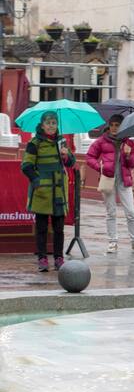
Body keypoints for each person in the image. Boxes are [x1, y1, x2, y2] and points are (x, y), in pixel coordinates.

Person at [22, 112, 76, 272]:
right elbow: (26, 166)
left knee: (59, 228)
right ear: (42, 125)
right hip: (42, 192)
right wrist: (37, 182)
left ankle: (59, 258)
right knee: (42, 228)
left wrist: (66, 156)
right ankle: (42, 258)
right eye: (48, 123)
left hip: (59, 192)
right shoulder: (34, 143)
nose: (51, 126)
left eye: (54, 123)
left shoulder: (61, 141)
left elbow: (71, 163)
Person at [85, 114, 134, 255]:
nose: (114, 128)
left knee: (131, 212)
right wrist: (100, 167)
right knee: (111, 212)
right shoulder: (101, 141)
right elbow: (89, 157)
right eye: (112, 125)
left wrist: (128, 155)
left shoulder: (128, 142)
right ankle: (112, 242)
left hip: (124, 180)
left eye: (117, 125)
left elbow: (133, 163)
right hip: (108, 180)